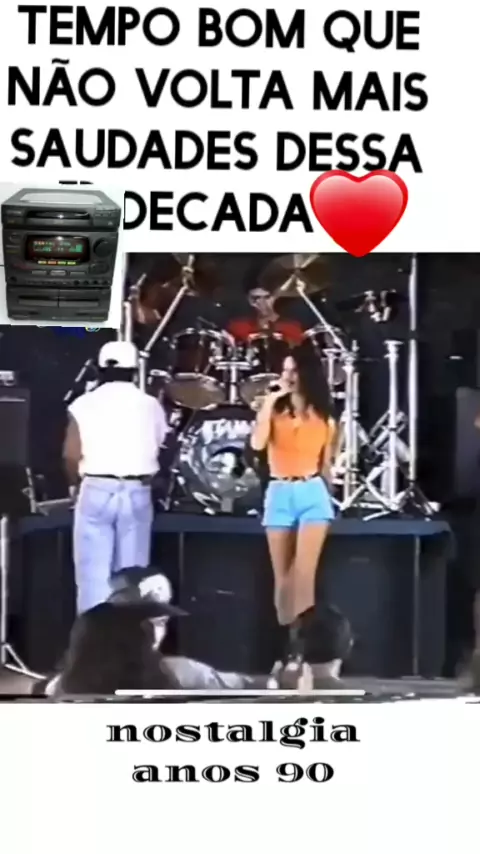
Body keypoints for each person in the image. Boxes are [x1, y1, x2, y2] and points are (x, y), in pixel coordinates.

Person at [63, 340, 168, 614]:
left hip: (96, 487)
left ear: (100, 369)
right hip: (137, 490)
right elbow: (159, 445)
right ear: (134, 371)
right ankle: (130, 638)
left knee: (93, 579)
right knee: (133, 578)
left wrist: (74, 486)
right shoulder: (150, 405)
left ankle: (93, 637)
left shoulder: (83, 404)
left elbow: (71, 454)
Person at [250, 345, 338, 663]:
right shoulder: (274, 410)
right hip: (279, 491)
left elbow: (326, 464)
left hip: (311, 491)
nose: (287, 376)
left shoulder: (325, 417)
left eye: (293, 370)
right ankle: (288, 648)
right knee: (283, 577)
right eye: (284, 370)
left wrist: (332, 493)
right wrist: (269, 401)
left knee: (304, 574)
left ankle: (305, 652)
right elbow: (257, 443)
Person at [228, 284, 304, 345]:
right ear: (249, 300)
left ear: (275, 297)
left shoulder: (292, 327)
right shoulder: (237, 327)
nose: (262, 303)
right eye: (255, 298)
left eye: (267, 297)